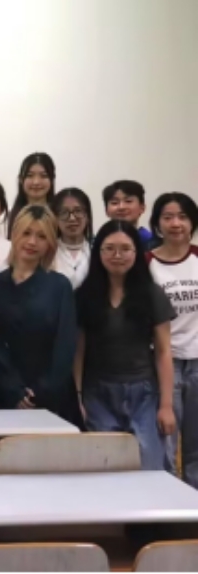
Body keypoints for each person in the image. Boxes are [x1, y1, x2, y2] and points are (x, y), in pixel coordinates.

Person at [75, 221, 176, 472]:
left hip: (144, 393)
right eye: (109, 248)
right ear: (98, 252)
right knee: (104, 468)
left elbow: (164, 352)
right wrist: (77, 396)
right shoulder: (84, 295)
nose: (117, 255)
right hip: (98, 392)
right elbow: (78, 351)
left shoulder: (152, 294)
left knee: (150, 466)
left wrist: (166, 405)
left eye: (125, 249)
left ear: (136, 253)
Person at [0, 206, 81, 427]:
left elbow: (65, 345)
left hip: (51, 397)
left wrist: (41, 391)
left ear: (50, 243)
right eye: (26, 233)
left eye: (41, 236)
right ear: (14, 235)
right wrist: (14, 390)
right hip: (3, 394)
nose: (32, 242)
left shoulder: (59, 286)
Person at [148, 192, 198, 487]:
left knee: (196, 448)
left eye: (182, 216)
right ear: (157, 224)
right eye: (167, 217)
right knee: (166, 442)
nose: (175, 223)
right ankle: (171, 503)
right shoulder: (146, 264)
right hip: (164, 363)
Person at [53, 188, 93, 290]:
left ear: (87, 216)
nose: (72, 218)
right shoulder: (48, 251)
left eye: (78, 211)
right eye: (64, 212)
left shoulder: (97, 249)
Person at [8, 153, 56, 230]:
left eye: (43, 176)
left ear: (52, 179)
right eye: (30, 175)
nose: (36, 182)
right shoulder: (8, 219)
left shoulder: (59, 215)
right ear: (21, 179)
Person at [104, 180, 156, 250]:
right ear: (106, 210)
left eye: (128, 201)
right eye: (114, 202)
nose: (121, 207)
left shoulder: (151, 243)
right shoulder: (99, 242)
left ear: (142, 208)